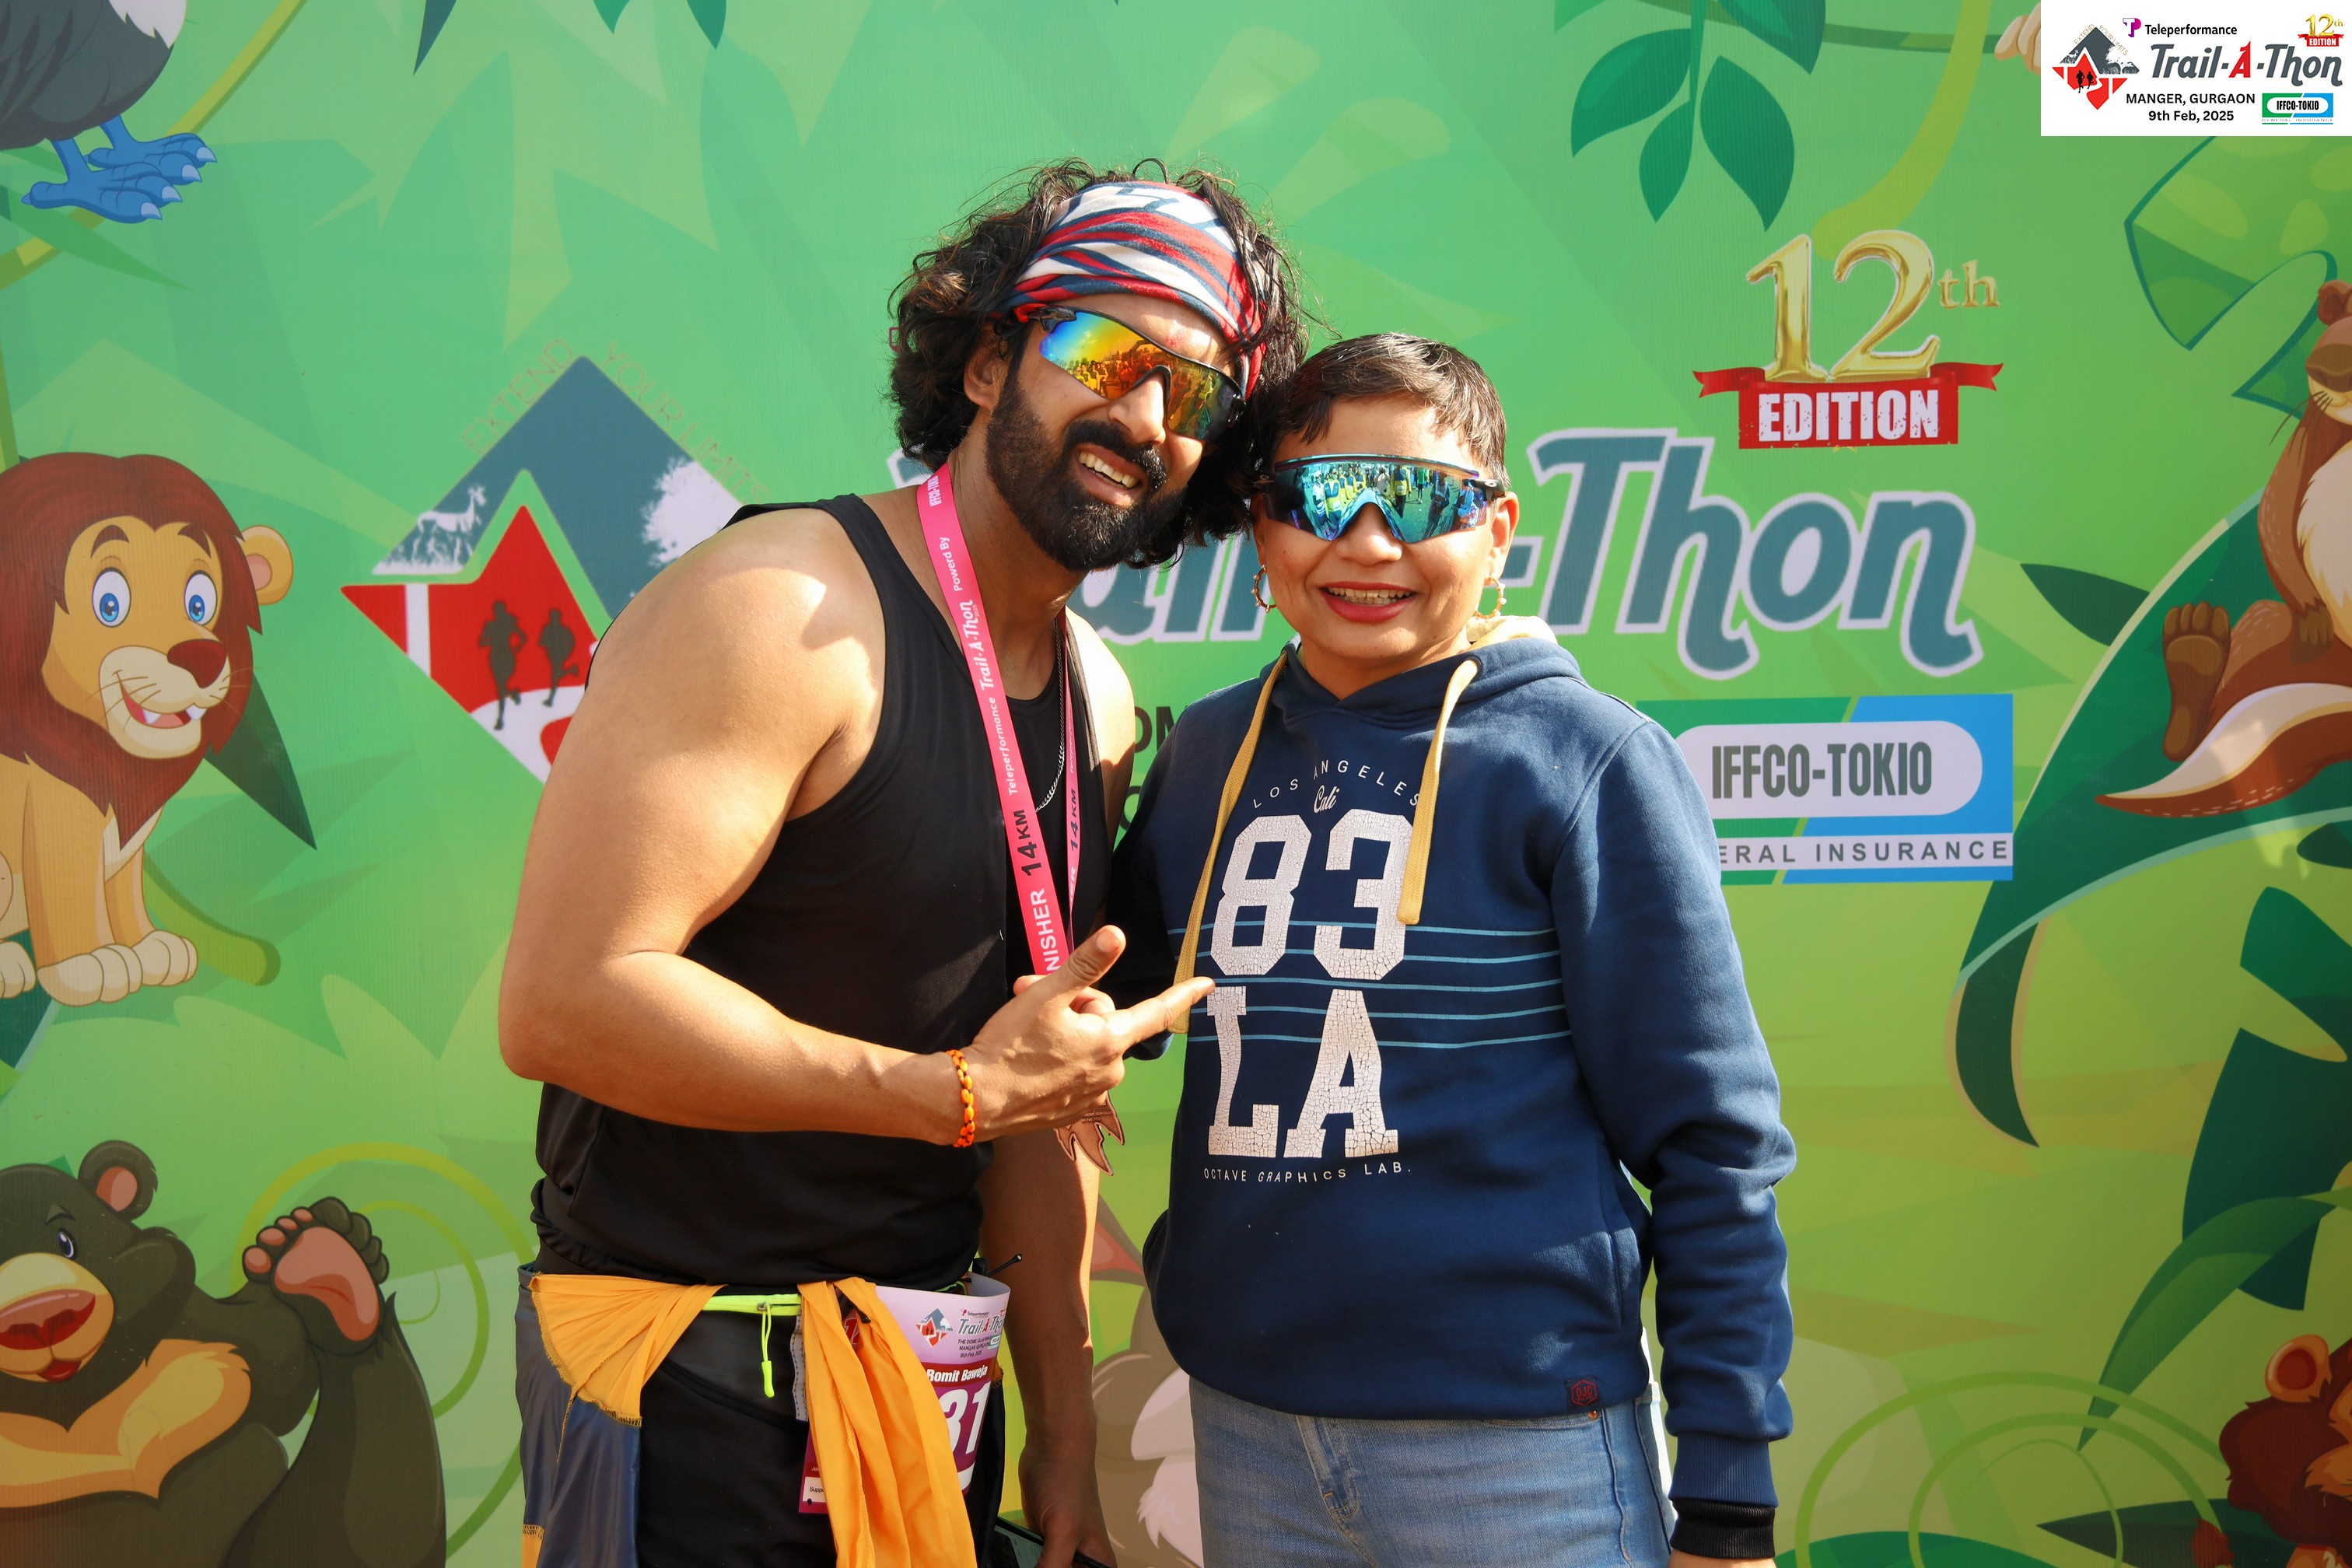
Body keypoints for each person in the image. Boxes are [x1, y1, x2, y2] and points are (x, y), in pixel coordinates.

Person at [498, 163, 1306, 1568]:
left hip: (925, 1412)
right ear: (989, 363)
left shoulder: (1102, 699)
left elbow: (1034, 1104)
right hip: (690, 1395)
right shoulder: (783, 604)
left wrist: (1065, 1432)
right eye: (1103, 353)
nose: (1143, 416)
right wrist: (948, 1095)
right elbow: (566, 999)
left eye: (1193, 394)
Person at [1108, 335, 1794, 1567]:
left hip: (1520, 1454)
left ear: (1499, 531)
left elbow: (1713, 1142)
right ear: (1261, 528)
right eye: (1320, 497)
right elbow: (1093, 1009)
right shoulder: (1205, 753)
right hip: (1248, 1434)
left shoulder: (1586, 761)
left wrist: (1731, 1496)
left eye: (1422, 500)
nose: (1369, 542)